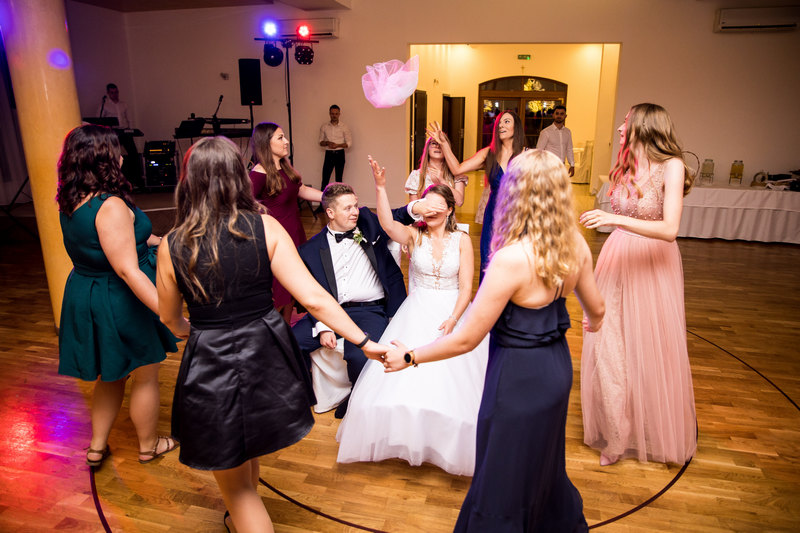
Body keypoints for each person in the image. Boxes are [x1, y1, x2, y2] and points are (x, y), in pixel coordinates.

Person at [156, 136, 387, 533]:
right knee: (247, 455)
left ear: (188, 180)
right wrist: (364, 342)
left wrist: (191, 329)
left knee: (238, 490)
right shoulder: (265, 227)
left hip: (212, 358)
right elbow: (314, 298)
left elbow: (169, 318)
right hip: (264, 349)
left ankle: (245, 516)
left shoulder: (173, 244)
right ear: (238, 177)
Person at [383, 149, 605, 532]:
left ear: (515, 195)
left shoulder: (511, 260)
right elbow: (597, 310)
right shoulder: (575, 246)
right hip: (556, 371)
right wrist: (592, 323)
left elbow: (466, 339)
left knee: (502, 473)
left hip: (516, 380)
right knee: (542, 464)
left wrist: (410, 356)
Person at [337, 159, 488, 476]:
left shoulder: (462, 240)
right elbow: (387, 225)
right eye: (425, 208)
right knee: (403, 381)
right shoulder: (414, 236)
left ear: (449, 209)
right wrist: (380, 187)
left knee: (453, 383)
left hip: (453, 311)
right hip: (417, 308)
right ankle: (408, 438)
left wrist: (453, 319)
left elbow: (466, 288)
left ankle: (444, 442)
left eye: (436, 208)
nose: (428, 213)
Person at [579, 103, 697, 466]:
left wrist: (614, 219)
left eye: (626, 123)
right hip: (616, 257)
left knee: (646, 347)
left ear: (645, 126)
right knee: (607, 344)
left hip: (652, 264)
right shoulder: (625, 164)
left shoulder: (672, 166)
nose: (619, 129)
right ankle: (617, 433)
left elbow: (669, 229)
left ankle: (652, 429)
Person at [56, 124, 179, 468]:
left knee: (110, 375)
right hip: (120, 298)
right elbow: (128, 270)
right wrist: (169, 315)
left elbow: (115, 240)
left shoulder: (72, 199)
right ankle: (149, 445)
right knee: (145, 372)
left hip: (89, 290)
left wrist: (159, 241)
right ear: (103, 157)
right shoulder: (108, 205)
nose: (123, 156)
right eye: (117, 150)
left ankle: (97, 448)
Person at [291, 183, 417, 419]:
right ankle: (304, 395)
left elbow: (399, 215)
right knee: (289, 343)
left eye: (356, 206)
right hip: (330, 311)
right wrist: (324, 326)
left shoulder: (368, 223)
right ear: (330, 212)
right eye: (347, 208)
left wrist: (419, 206)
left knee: (360, 356)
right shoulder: (310, 250)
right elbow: (312, 293)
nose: (355, 212)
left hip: (368, 311)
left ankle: (356, 401)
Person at [428, 110, 526, 279]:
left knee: (515, 260)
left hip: (518, 215)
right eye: (499, 123)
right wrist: (444, 144)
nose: (501, 125)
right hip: (493, 214)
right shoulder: (488, 153)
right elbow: (457, 169)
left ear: (516, 127)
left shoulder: (527, 154)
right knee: (489, 260)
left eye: (506, 122)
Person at [250, 122, 323, 321]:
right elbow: (244, 203)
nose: (286, 141)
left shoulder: (284, 167)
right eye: (280, 137)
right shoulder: (259, 173)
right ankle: (274, 329)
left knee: (293, 287)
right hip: (277, 240)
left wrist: (330, 197)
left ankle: (286, 329)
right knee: (280, 289)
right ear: (266, 142)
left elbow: (301, 190)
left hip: (295, 233)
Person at [96, 83, 142, 189]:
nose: (115, 94)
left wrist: (131, 130)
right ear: (108, 93)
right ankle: (114, 181)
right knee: (113, 155)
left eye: (116, 92)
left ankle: (136, 180)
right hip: (113, 133)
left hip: (124, 131)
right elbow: (99, 120)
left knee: (133, 153)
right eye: (112, 93)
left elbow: (129, 118)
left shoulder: (123, 104)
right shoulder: (104, 105)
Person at [404, 135, 468, 206]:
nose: (437, 146)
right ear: (427, 148)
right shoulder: (416, 175)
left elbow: (459, 202)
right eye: (434, 143)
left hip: (448, 213)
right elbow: (414, 207)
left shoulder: (456, 175)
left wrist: (442, 181)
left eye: (441, 143)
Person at [318, 104, 352, 191]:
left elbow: (349, 143)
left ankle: (339, 199)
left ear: (339, 114)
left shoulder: (344, 127)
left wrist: (338, 145)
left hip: (340, 154)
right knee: (325, 179)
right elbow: (320, 142)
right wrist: (327, 143)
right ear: (329, 114)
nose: (334, 115)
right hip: (329, 154)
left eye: (336, 113)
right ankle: (321, 199)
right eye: (332, 113)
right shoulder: (324, 126)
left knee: (339, 180)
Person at [536, 104, 575, 177]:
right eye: (557, 113)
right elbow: (539, 151)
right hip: (548, 167)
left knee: (561, 185)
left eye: (562, 114)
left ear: (565, 116)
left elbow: (569, 149)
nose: (559, 116)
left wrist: (572, 165)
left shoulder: (567, 132)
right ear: (553, 115)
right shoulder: (546, 132)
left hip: (561, 167)